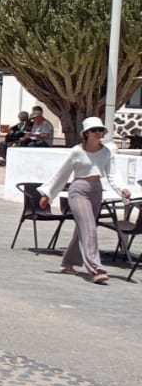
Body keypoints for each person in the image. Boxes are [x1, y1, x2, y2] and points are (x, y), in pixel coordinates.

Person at [39, 117, 133, 284]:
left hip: (96, 191)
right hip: (78, 191)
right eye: (95, 130)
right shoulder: (76, 151)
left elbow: (113, 175)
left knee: (83, 229)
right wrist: (48, 194)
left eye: (101, 130)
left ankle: (68, 264)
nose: (98, 133)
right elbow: (62, 174)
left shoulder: (106, 152)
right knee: (89, 228)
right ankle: (96, 269)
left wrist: (122, 189)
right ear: (86, 133)